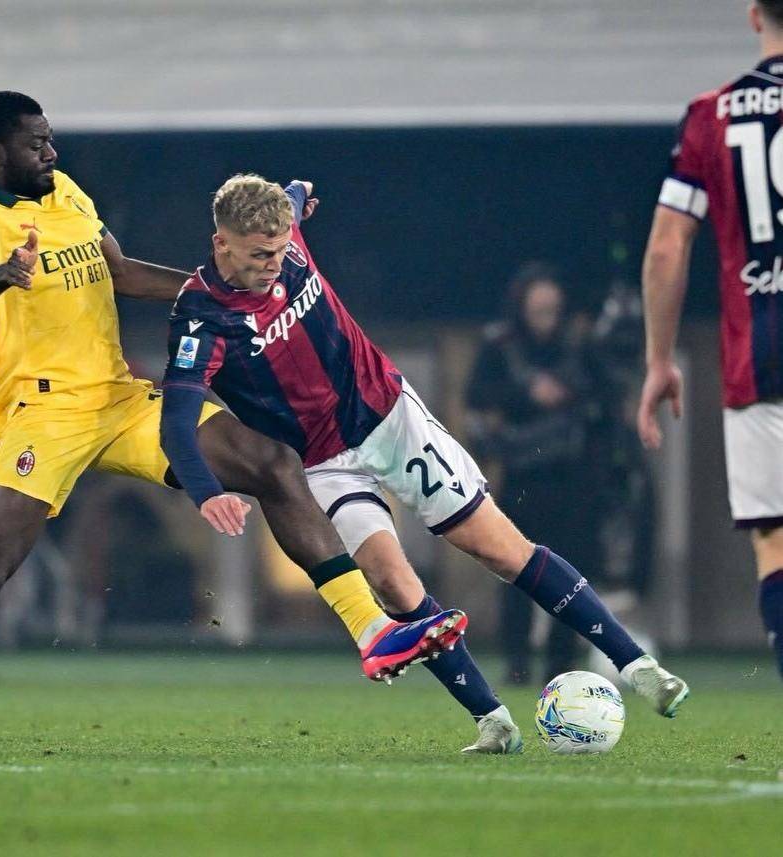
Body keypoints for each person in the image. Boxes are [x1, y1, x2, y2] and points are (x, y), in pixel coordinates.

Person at [0, 93, 464, 750]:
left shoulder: (68, 194)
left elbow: (124, 273)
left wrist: (211, 289)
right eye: (36, 143)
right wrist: (5, 274)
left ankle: (371, 632)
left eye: (50, 138)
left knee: (272, 463)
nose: (51, 150)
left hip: (117, 399)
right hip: (46, 415)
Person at [159, 175, 690, 749]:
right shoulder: (201, 321)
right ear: (221, 243)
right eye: (260, 255)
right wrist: (206, 490)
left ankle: (639, 668)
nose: (274, 264)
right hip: (324, 463)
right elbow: (176, 424)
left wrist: (300, 195)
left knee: (500, 550)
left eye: (281, 249)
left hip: (390, 419)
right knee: (392, 584)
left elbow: (294, 192)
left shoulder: (285, 236)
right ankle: (493, 721)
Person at [639, 0, 783, 679]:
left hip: (762, 358)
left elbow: (668, 246)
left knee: (776, 543)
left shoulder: (713, 115)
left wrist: (659, 359)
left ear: (754, 16)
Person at [465, 264, 602, 684]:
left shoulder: (579, 346)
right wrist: (528, 394)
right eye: (539, 309)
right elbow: (476, 397)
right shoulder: (501, 345)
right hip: (521, 475)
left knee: (571, 573)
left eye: (552, 309)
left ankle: (561, 662)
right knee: (515, 568)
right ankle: (517, 661)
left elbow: (604, 399)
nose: (546, 317)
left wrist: (568, 394)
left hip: (573, 476)